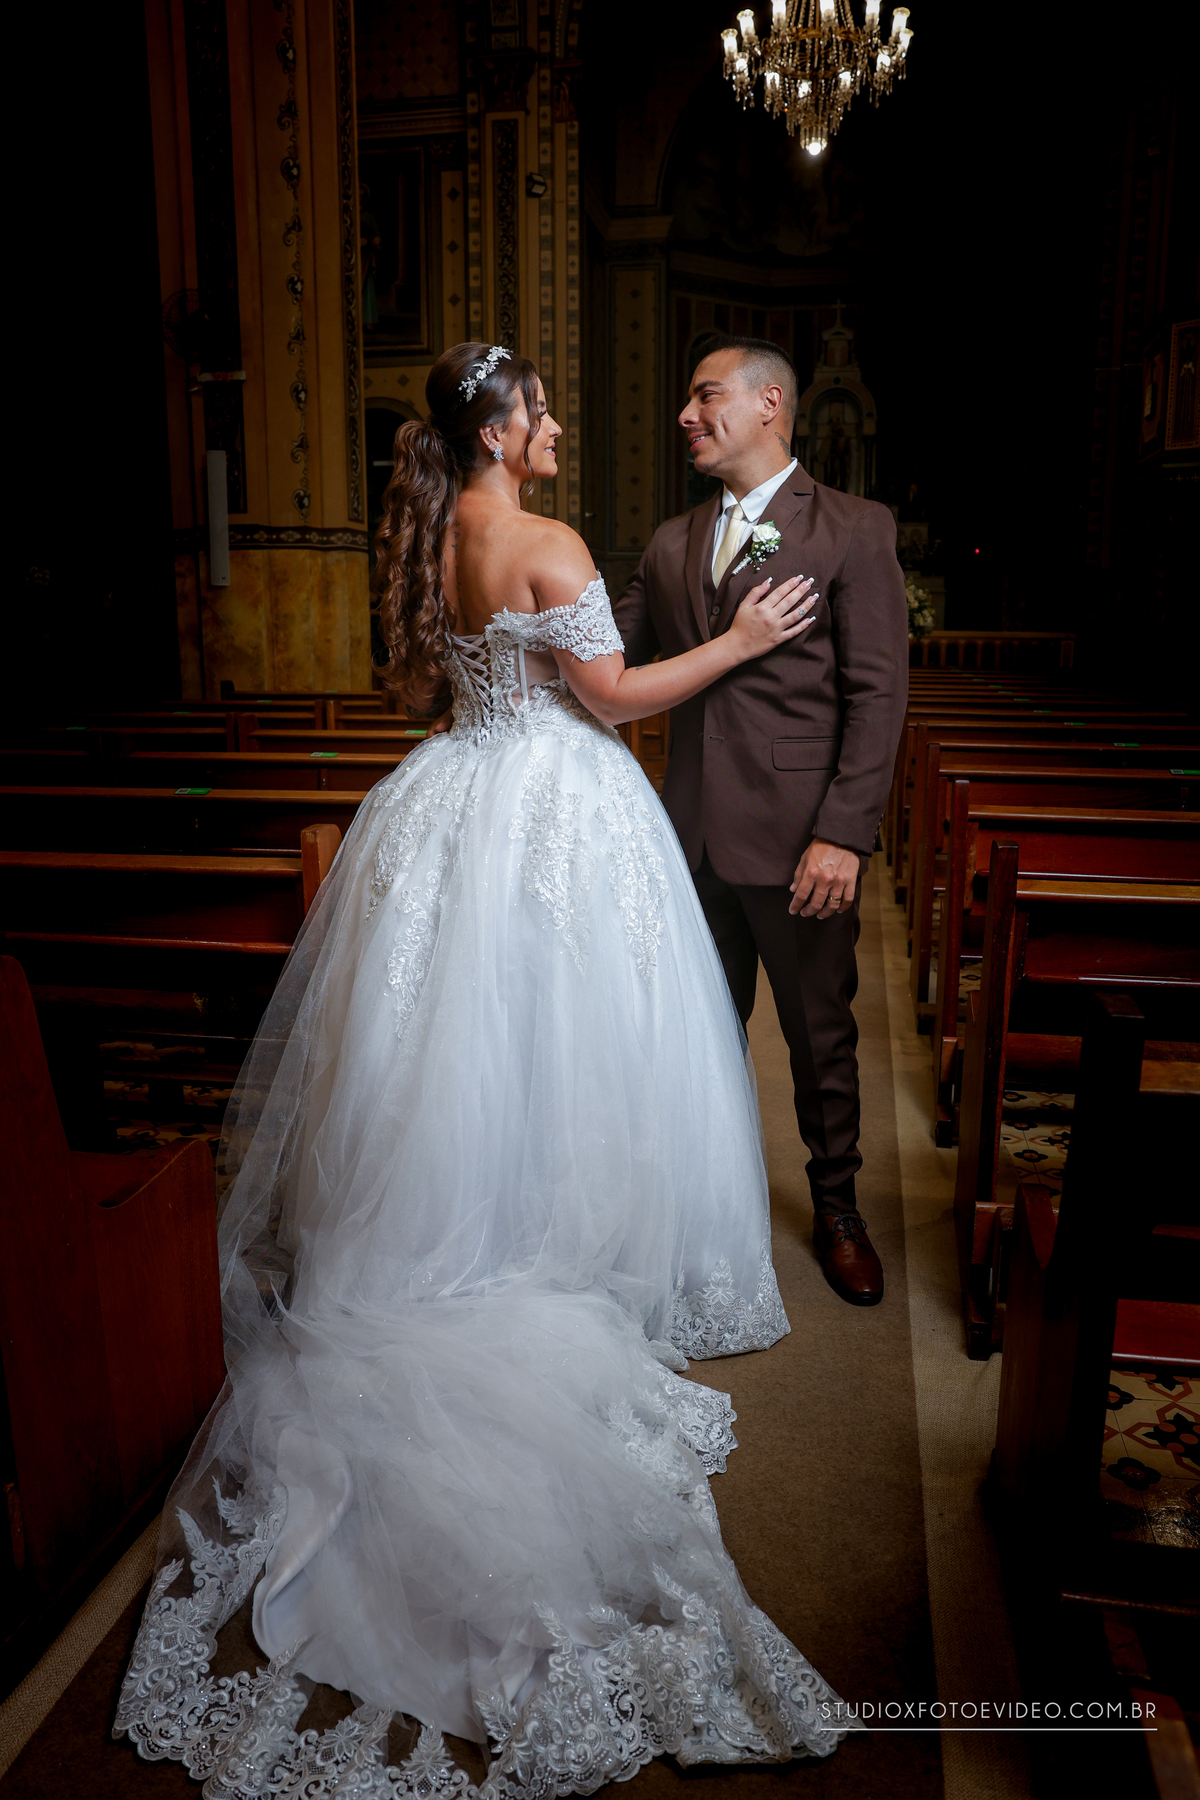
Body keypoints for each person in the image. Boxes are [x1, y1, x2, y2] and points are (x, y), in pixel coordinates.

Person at [116, 342, 858, 1793]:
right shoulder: (547, 539)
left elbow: (479, 680)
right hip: (553, 803)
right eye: (542, 410)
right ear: (503, 433)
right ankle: (546, 1247)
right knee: (562, 1042)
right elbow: (617, 699)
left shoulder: (438, 528)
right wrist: (740, 643)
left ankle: (474, 1220)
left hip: (453, 794)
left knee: (456, 1048)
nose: (559, 423)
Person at [612, 336, 908, 1307]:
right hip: (687, 838)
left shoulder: (853, 528)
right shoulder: (669, 543)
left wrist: (844, 833)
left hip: (799, 842)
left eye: (706, 397)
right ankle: (705, 1205)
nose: (687, 416)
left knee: (820, 1037)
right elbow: (608, 663)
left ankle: (838, 1208)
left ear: (769, 403)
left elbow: (877, 695)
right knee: (697, 1037)